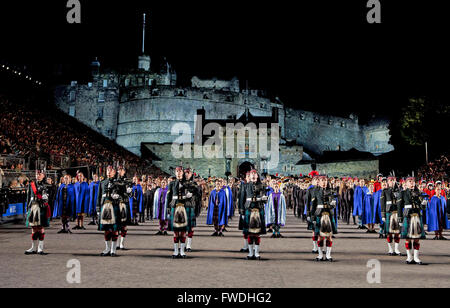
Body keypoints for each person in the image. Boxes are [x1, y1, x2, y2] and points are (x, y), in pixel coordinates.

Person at [166, 166, 196, 259]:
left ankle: (182, 251)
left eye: (180, 171)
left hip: (184, 206)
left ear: (183, 173)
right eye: (177, 171)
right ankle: (175, 251)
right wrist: (167, 208)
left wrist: (191, 193)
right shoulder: (172, 183)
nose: (178, 173)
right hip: (174, 207)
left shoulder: (187, 183)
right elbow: (169, 196)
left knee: (183, 232)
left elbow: (196, 190)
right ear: (175, 173)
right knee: (175, 232)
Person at [398, 177, 427, 265]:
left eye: (413, 181)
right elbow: (399, 206)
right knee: (408, 238)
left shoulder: (419, 193)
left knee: (417, 238)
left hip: (417, 216)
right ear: (406, 184)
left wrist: (423, 205)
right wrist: (400, 218)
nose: (412, 183)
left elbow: (422, 208)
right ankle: (409, 257)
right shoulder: (402, 193)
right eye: (410, 182)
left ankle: (416, 257)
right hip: (407, 216)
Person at [241, 169, 268, 260]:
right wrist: (242, 211)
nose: (253, 175)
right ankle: (250, 253)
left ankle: (256, 253)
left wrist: (262, 198)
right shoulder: (245, 186)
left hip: (258, 209)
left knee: (257, 233)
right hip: (248, 209)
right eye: (251, 174)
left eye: (255, 174)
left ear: (257, 176)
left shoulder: (262, 185)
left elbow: (265, 200)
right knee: (249, 233)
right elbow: (242, 199)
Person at [310, 175, 337, 262]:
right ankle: (320, 254)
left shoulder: (331, 191)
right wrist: (312, 218)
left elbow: (334, 204)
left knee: (329, 236)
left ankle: (328, 255)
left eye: (325, 180)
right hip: (319, 214)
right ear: (319, 182)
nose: (324, 182)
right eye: (322, 180)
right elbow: (313, 206)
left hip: (329, 214)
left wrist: (333, 204)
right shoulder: (315, 191)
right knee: (320, 237)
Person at [96, 166, 121, 257]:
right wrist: (98, 208)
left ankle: (113, 250)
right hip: (105, 207)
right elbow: (98, 196)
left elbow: (124, 195)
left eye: (111, 170)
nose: (109, 172)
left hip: (114, 207)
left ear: (114, 172)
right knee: (106, 230)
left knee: (114, 229)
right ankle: (107, 249)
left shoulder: (118, 183)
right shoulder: (102, 183)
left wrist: (118, 197)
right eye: (107, 170)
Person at [25, 170, 51, 255]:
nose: (38, 175)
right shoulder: (31, 184)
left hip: (41, 208)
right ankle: (33, 247)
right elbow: (28, 197)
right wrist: (27, 208)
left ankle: (40, 248)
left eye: (40, 174)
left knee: (40, 227)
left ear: (43, 175)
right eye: (37, 174)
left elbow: (46, 199)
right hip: (32, 207)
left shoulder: (46, 185)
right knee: (33, 228)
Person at [380, 176, 402, 256]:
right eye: (390, 181)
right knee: (389, 232)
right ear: (388, 182)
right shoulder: (385, 191)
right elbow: (382, 204)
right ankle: (390, 249)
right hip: (389, 212)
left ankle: (396, 249)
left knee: (397, 232)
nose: (392, 182)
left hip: (397, 212)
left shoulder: (399, 190)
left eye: (393, 180)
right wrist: (383, 215)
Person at [184, 168, 201, 252]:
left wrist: (193, 194)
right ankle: (183, 244)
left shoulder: (194, 184)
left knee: (191, 227)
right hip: (182, 207)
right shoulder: (180, 183)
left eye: (188, 173)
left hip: (191, 207)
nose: (187, 174)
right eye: (186, 173)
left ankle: (189, 245)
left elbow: (198, 197)